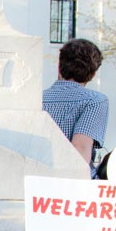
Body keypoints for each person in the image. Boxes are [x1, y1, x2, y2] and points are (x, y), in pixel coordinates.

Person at [42, 38, 109, 178]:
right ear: (93, 74)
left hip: (39, 177)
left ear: (59, 66)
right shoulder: (95, 101)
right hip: (72, 185)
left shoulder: (37, 99)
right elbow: (80, 150)